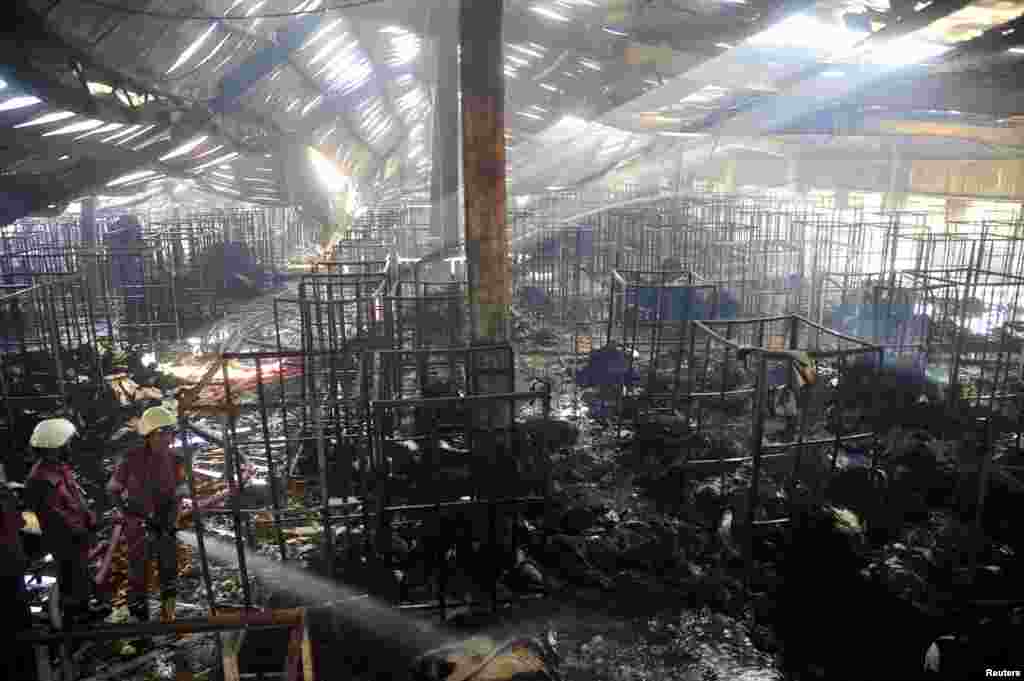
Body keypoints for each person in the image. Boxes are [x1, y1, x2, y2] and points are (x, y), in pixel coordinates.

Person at [107, 406, 180, 623]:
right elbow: (113, 490)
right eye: (162, 433)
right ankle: (141, 624)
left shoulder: (176, 459)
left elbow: (179, 495)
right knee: (138, 575)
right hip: (138, 528)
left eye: (170, 432)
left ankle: (170, 617)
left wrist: (171, 521)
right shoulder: (130, 458)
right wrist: (129, 513)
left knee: (169, 572)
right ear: (149, 435)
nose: (168, 438)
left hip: (165, 527)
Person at [23, 418, 98, 628]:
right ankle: (74, 621)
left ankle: (83, 609)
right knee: (71, 577)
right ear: (55, 446)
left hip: (75, 534)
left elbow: (74, 496)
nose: (69, 447)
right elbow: (54, 516)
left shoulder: (58, 469)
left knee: (81, 574)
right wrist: (79, 531)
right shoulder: (40, 479)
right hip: (64, 540)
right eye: (67, 443)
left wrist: (88, 517)